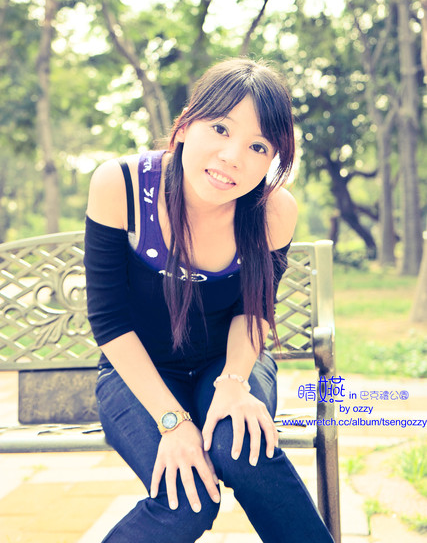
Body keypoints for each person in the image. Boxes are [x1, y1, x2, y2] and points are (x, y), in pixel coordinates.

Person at [84, 58, 335, 542]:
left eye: (258, 146)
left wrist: (235, 382)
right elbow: (109, 321)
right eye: (220, 128)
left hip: (231, 361)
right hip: (138, 371)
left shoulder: (271, 211)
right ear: (184, 127)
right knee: (187, 500)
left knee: (243, 451)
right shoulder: (122, 186)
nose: (232, 157)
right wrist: (173, 423)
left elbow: (254, 310)